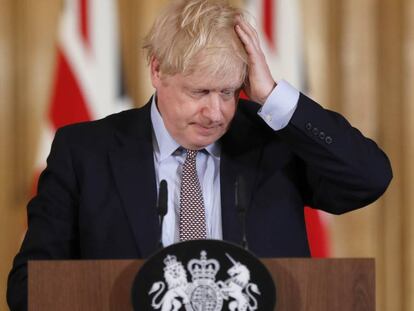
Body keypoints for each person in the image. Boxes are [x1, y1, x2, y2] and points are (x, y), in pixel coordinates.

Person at [7, 0, 392, 309]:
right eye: (199, 92)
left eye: (228, 92)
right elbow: (30, 285)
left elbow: (369, 179)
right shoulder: (85, 152)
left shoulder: (274, 143)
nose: (216, 113)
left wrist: (273, 96)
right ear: (158, 70)